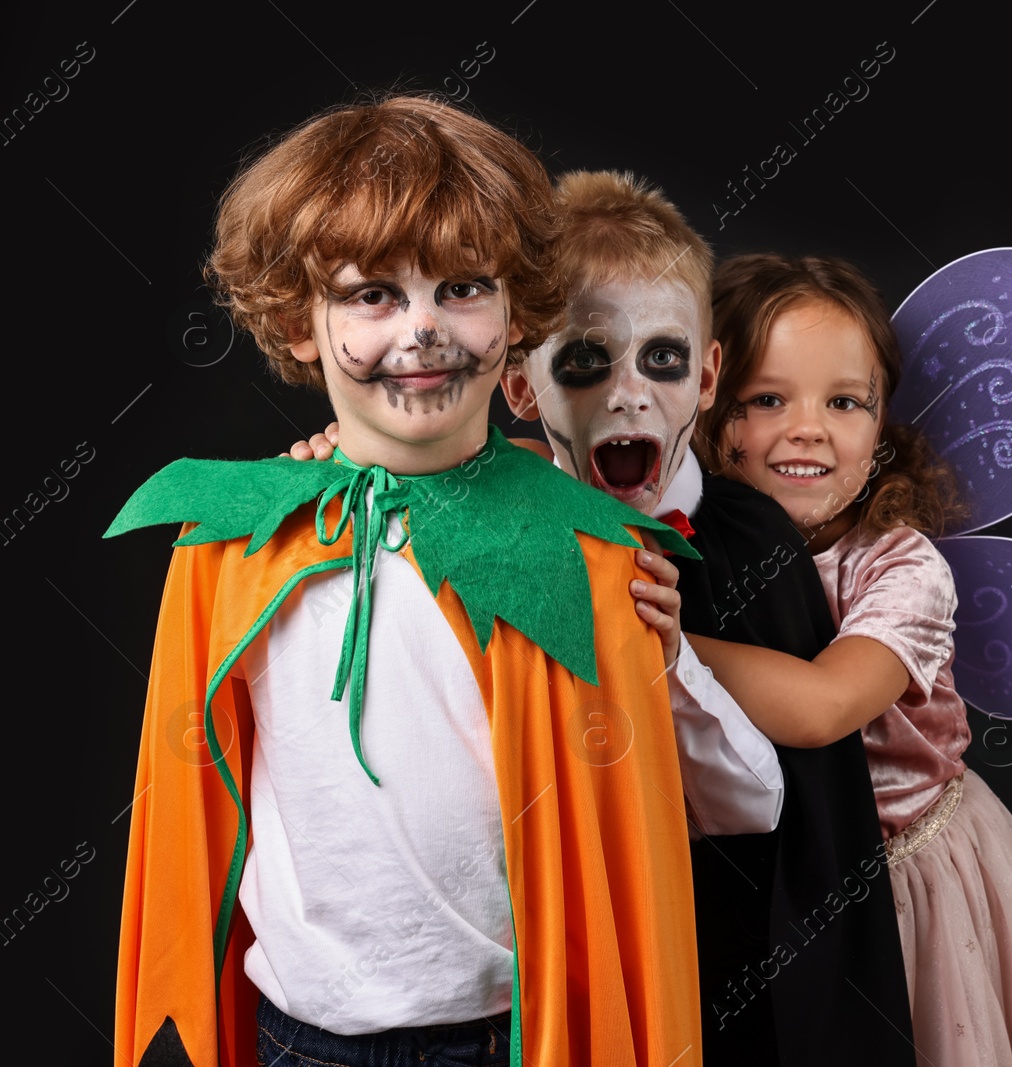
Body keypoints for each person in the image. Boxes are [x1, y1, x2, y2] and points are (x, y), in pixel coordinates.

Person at [105, 95, 702, 1067]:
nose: (421, 330)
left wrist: (670, 658)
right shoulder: (231, 542)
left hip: (515, 1028)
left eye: (463, 288)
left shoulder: (587, 551)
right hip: (303, 1031)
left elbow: (638, 844)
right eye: (373, 295)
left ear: (517, 313)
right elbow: (192, 796)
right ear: (303, 321)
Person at [285, 170, 916, 1066]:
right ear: (521, 388)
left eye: (660, 361)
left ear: (704, 380)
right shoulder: (492, 522)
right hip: (562, 959)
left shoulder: (749, 538)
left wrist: (653, 641)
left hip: (739, 945)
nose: (626, 396)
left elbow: (800, 800)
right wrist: (338, 460)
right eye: (585, 362)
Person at [650, 252, 1012, 1065]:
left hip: (900, 871)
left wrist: (661, 642)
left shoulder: (900, 566)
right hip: (768, 880)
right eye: (767, 399)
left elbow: (822, 707)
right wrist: (351, 448)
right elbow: (542, 469)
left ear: (881, 428)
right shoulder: (684, 537)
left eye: (845, 402)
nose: (809, 426)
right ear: (705, 409)